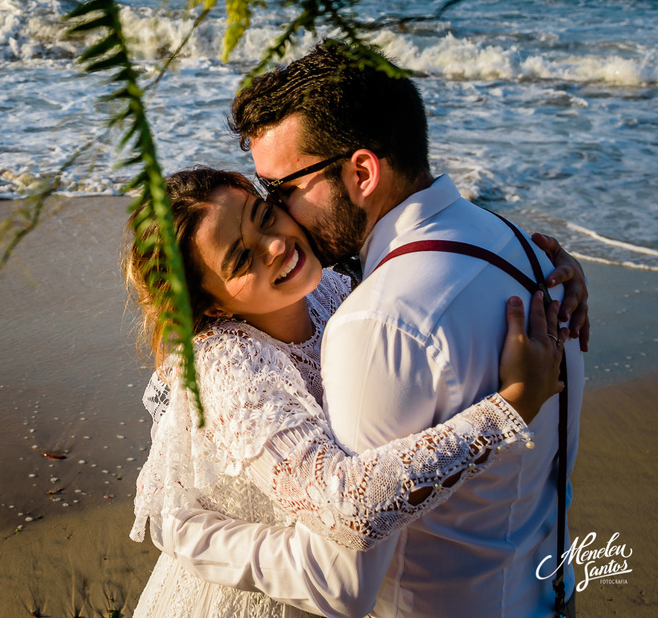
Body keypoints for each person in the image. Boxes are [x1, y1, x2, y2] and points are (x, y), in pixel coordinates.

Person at [146, 42, 586, 617]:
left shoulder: (373, 321)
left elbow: (340, 578)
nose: (280, 235)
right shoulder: (525, 254)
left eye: (275, 197)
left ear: (361, 171)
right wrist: (184, 535)